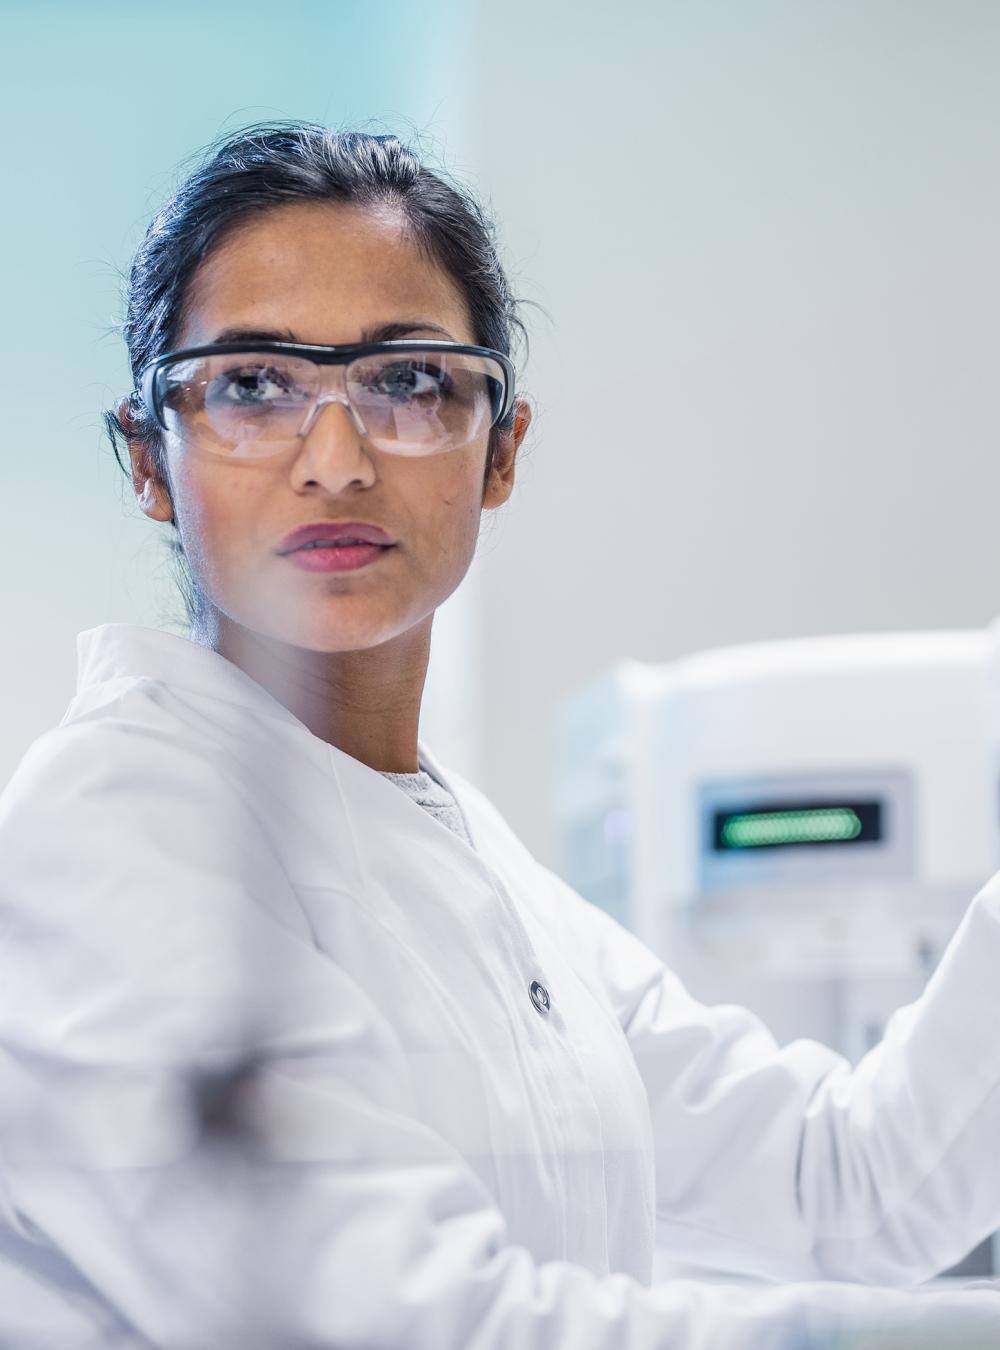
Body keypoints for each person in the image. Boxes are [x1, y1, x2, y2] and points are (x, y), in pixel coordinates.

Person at [0, 122, 998, 1350]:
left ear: (501, 448)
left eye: (407, 383)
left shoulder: (476, 868)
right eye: (253, 386)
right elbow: (421, 1329)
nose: (336, 460)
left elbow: (850, 1192)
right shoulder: (109, 831)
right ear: (150, 459)